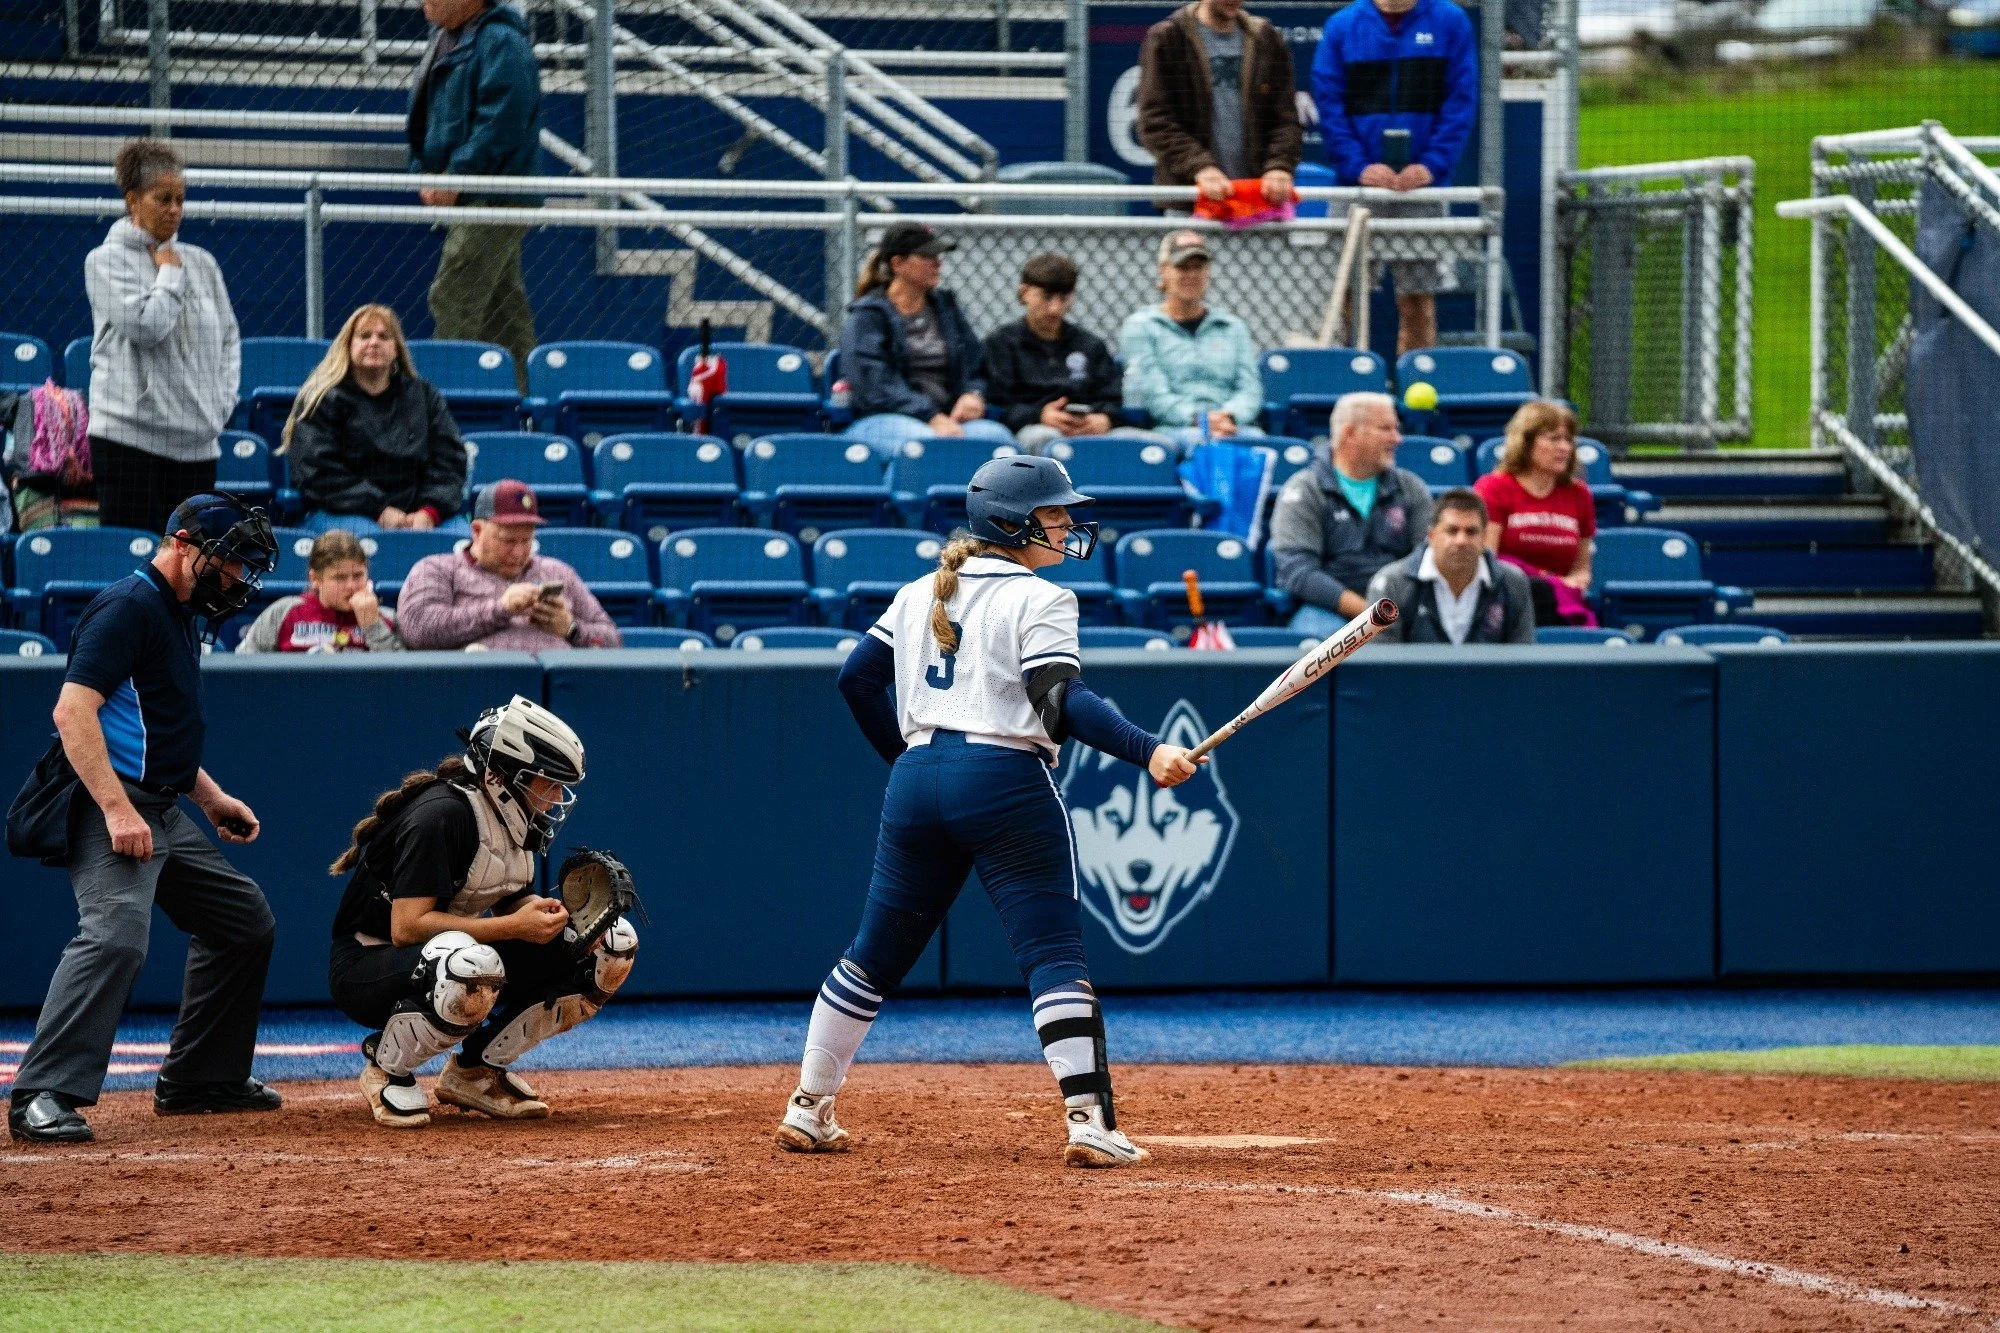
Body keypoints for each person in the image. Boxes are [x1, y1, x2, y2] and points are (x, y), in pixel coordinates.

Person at [774, 454, 1203, 1169]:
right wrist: (1148, 749)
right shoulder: (1041, 597)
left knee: (873, 953)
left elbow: (856, 679)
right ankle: (1089, 1120)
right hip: (1005, 777)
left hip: (917, 779)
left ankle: (808, 1105)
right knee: (1053, 953)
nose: (1066, 526)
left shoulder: (918, 590)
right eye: (1054, 514)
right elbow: (1061, 701)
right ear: (1013, 522)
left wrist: (908, 759)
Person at [6, 494, 281, 1144]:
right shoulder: (128, 606)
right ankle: (40, 1092)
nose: (236, 576)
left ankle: (199, 1079)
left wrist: (210, 798)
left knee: (243, 922)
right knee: (115, 936)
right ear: (182, 545)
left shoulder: (179, 611)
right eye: (229, 560)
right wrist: (115, 808)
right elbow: (73, 712)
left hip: (159, 803)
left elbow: (157, 728)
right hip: (110, 801)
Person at [327, 696, 637, 1127]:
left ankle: (475, 1072)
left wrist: (557, 917)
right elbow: (407, 927)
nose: (555, 798)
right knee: (470, 963)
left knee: (609, 945)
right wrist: (513, 926)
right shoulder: (441, 816)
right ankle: (386, 1068)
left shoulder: (513, 817)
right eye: (547, 783)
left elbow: (511, 901)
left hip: (444, 951)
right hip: (367, 964)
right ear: (503, 775)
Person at [84, 139, 241, 536]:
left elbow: (229, 339)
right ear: (133, 201)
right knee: (137, 562)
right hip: (128, 442)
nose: (174, 210)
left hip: (197, 445)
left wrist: (220, 405)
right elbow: (147, 327)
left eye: (180, 200)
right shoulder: (103, 261)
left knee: (191, 563)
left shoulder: (203, 263)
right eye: (163, 199)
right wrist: (169, 274)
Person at [1310, 0, 1478, 354]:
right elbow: (1329, 107)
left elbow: (1460, 102)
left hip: (1421, 194)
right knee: (1345, 299)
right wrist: (1359, 168)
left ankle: (1415, 381)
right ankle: (1348, 382)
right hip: (1355, 193)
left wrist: (1430, 166)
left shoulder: (1450, 21)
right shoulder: (1342, 26)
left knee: (1418, 302)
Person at [409, 0, 543, 389]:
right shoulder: (447, 38)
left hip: (495, 195)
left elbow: (502, 122)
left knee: (454, 295)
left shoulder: (501, 41)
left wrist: (455, 176)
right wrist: (424, 172)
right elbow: (425, 117)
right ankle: (525, 402)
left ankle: (443, 401)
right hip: (477, 192)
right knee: (503, 312)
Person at [282, 305, 470, 535]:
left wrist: (429, 512)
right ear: (348, 346)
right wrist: (379, 509)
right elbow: (318, 472)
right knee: (373, 544)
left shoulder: (424, 395)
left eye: (383, 336)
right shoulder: (321, 399)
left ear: (396, 349)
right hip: (345, 512)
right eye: (364, 336)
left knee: (465, 542)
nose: (374, 342)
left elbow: (450, 461)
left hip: (421, 513)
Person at [838, 221, 1016, 459]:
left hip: (948, 418)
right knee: (930, 448)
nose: (937, 263)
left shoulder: (945, 308)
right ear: (897, 264)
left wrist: (973, 394)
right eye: (926, 256)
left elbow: (977, 365)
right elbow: (875, 386)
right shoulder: (868, 316)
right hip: (883, 420)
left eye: (938, 256)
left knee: (999, 441)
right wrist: (930, 415)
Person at [1269, 392, 1434, 637]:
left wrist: (1392, 612)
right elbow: (1298, 572)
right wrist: (1371, 615)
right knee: (1319, 644)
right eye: (1385, 429)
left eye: (1396, 429)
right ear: (1350, 433)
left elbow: (1428, 556)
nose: (1397, 438)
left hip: (1400, 604)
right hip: (1330, 608)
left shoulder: (1410, 487)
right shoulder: (1304, 490)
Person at [396, 479, 621, 651]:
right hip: (482, 688)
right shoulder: (436, 569)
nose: (519, 552)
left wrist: (571, 629)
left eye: (526, 540)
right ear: (477, 531)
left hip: (553, 690)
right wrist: (501, 609)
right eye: (508, 541)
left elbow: (613, 641)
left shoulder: (557, 571)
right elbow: (417, 630)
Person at [982, 253, 1168, 455]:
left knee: (1154, 445)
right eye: (1046, 297)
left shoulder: (1090, 345)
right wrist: (1039, 415)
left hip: (1090, 427)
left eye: (1063, 298)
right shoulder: (1002, 343)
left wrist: (1104, 419)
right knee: (1046, 439)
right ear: (1024, 293)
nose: (1055, 308)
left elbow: (1114, 397)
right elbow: (997, 405)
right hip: (1033, 428)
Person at [1135, 0, 1301, 209]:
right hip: (1191, 202)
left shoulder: (1266, 38)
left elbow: (1285, 119)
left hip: (1257, 201)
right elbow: (1155, 122)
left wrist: (1279, 166)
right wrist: (1200, 167)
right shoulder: (1169, 37)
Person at [1117, 230, 1264, 452]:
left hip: (1231, 426)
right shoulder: (1140, 326)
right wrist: (1200, 419)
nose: (1191, 275)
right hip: (1173, 429)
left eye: (1198, 267)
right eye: (1182, 267)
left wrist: (1230, 416)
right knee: (1202, 445)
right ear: (1163, 271)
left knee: (1261, 445)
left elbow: (1250, 388)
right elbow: (1153, 393)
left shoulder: (1233, 327)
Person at [1475, 399, 1597, 627]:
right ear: (1526, 442)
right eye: (1554, 439)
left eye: (1568, 440)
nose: (1565, 448)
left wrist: (1573, 582)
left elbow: (1582, 569)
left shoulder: (1579, 494)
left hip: (1560, 603)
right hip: (1507, 599)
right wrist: (1544, 580)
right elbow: (1488, 560)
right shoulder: (1493, 488)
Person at [1366, 489, 1535, 643]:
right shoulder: (1391, 584)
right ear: (1431, 535)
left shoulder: (1514, 583)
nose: (1461, 541)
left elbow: (1522, 659)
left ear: (1484, 537)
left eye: (1471, 532)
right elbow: (1382, 661)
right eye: (1452, 531)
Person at [234, 529, 407, 653]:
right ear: (315, 579)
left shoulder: (388, 618)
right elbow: (245, 664)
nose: (351, 585)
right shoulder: (284, 611)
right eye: (339, 578)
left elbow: (401, 679)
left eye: (358, 575)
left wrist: (372, 625)